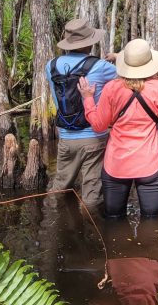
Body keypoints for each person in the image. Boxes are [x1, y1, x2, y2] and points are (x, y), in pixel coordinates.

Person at [78, 39, 158, 218]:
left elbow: (99, 125)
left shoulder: (111, 88)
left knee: (114, 218)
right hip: (151, 164)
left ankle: (116, 245)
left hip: (116, 164)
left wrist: (87, 98)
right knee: (152, 220)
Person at [46, 18, 117, 209]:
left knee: (61, 184)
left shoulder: (50, 66)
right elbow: (128, 77)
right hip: (94, 137)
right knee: (92, 191)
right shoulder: (102, 67)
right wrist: (118, 57)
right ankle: (91, 230)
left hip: (65, 137)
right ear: (89, 42)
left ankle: (53, 218)